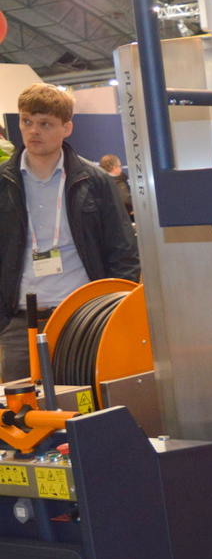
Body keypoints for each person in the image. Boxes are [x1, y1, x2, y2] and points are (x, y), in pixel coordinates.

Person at [0, 83, 139, 381]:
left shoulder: (96, 181)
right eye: (27, 121)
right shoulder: (3, 182)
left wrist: (113, 309)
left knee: (86, 402)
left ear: (67, 128)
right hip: (19, 323)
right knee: (22, 406)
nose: (33, 131)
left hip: (82, 317)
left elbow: (123, 251)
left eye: (45, 124)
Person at [97, 153, 133, 220]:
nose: (121, 168)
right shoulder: (119, 180)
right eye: (120, 166)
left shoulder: (98, 181)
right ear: (114, 167)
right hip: (122, 218)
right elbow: (126, 199)